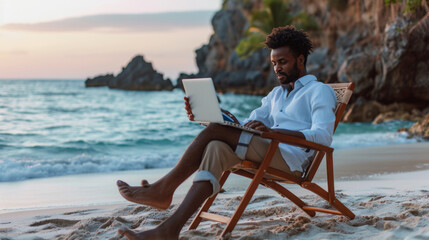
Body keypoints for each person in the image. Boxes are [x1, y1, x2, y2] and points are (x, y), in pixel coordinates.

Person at [116, 25, 337, 240]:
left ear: (300, 59)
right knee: (216, 147)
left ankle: (162, 190)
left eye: (282, 62)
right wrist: (217, 118)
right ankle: (170, 230)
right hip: (268, 149)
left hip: (290, 159)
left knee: (218, 135)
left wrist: (273, 131)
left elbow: (322, 136)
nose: (277, 68)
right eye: (273, 63)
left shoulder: (319, 91)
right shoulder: (276, 95)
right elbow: (249, 125)